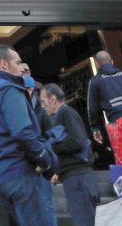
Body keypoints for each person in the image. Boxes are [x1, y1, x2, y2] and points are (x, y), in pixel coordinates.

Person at [0, 46, 57, 226]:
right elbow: (22, 132)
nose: (21, 68)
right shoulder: (9, 89)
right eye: (18, 63)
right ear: (3, 64)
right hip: (21, 175)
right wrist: (44, 159)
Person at [40, 83, 100, 226]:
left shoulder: (66, 113)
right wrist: (59, 172)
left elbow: (76, 142)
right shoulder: (63, 114)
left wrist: (53, 147)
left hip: (78, 178)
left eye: (43, 101)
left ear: (53, 99)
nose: (42, 106)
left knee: (84, 221)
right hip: (75, 176)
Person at [19, 64, 56, 226]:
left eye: (26, 70)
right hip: (24, 164)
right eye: (21, 71)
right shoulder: (14, 98)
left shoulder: (41, 98)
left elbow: (51, 133)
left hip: (41, 161)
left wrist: (50, 161)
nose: (24, 73)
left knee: (46, 205)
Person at [87, 51, 122, 144]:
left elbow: (93, 108)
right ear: (112, 61)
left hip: (119, 123)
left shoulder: (95, 81)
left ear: (97, 64)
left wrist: (95, 128)